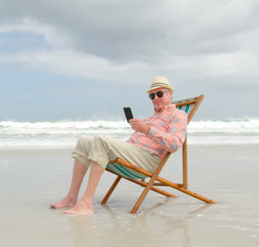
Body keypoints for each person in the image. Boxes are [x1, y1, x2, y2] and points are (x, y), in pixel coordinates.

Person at [50, 76, 187, 215]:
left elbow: (175, 144)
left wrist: (146, 129)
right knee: (84, 141)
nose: (155, 98)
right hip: (134, 154)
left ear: (170, 93)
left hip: (148, 159)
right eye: (152, 96)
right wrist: (141, 128)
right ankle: (71, 198)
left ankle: (86, 203)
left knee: (101, 140)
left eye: (159, 94)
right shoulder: (150, 118)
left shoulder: (178, 114)